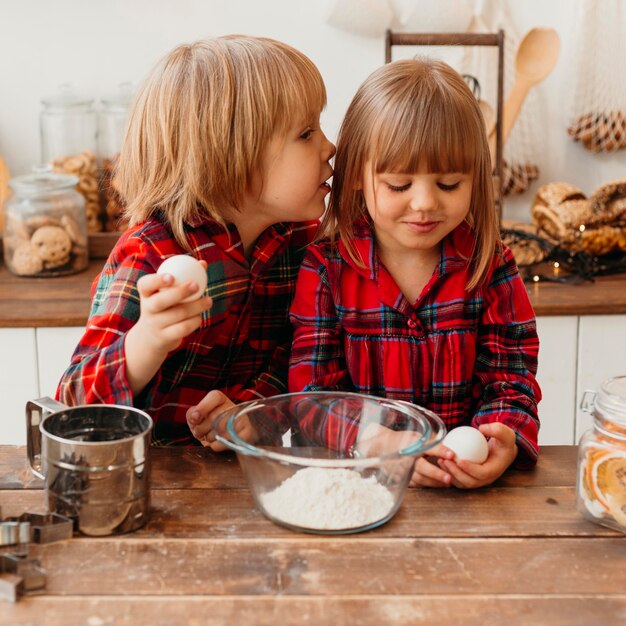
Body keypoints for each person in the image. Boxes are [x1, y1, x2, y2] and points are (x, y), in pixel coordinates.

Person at [57, 35, 335, 445]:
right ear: (230, 157)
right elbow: (74, 402)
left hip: (238, 480)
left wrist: (251, 411)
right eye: (307, 133)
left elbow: (294, 360)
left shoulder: (301, 246)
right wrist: (148, 339)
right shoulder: (152, 252)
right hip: (150, 475)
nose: (331, 147)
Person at [288, 57, 541, 488]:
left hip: (463, 494)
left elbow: (511, 376)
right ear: (355, 178)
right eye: (399, 185)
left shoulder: (491, 264)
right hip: (355, 485)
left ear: (475, 179)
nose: (424, 203)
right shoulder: (325, 268)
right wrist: (373, 440)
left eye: (448, 185)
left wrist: (503, 436)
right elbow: (310, 396)